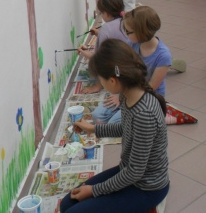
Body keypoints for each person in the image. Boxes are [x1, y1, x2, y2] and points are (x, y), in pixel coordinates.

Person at [61, 39, 169, 213]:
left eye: (100, 79)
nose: (100, 83)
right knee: (67, 203)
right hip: (128, 173)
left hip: (147, 188)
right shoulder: (127, 95)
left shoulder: (144, 113)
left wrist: (94, 190)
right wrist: (92, 128)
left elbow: (135, 172)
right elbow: (126, 128)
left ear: (112, 81)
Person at [91, 6, 171, 124]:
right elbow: (122, 70)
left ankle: (161, 118)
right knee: (97, 116)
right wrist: (120, 93)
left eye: (128, 32)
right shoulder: (132, 44)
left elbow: (151, 87)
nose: (126, 35)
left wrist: (122, 97)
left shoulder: (163, 55)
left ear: (142, 32)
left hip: (147, 98)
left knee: (114, 124)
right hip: (128, 92)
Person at [78, 0, 131, 94]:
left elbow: (100, 58)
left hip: (117, 71)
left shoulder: (106, 29)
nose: (101, 16)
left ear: (107, 13)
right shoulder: (126, 21)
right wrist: (99, 33)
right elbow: (116, 38)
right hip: (129, 65)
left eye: (101, 13)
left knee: (96, 63)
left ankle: (98, 86)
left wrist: (85, 53)